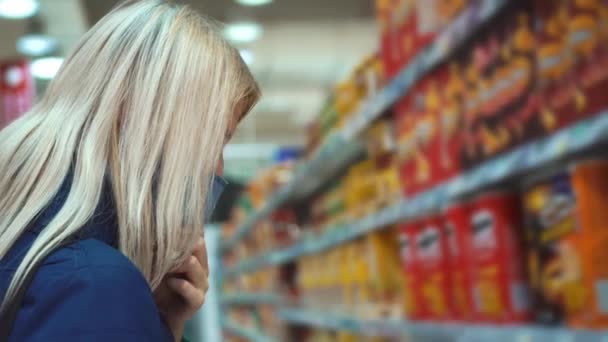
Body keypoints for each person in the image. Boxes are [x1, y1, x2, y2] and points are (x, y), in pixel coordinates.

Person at [0, 0, 260, 341]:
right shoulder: (95, 287)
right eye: (216, 138)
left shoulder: (27, 238)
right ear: (141, 117)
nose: (218, 167)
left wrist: (157, 318)